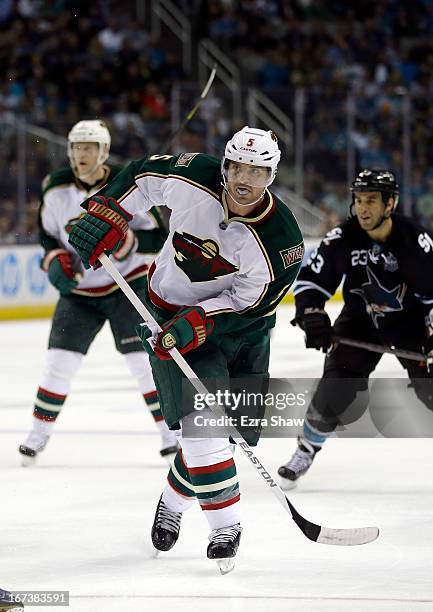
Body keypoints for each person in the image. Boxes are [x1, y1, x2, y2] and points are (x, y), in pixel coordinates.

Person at [67, 126, 304, 573]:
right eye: (239, 167)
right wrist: (110, 211)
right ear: (226, 165)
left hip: (244, 329)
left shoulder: (281, 241)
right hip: (167, 309)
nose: (246, 180)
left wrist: (198, 321)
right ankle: (226, 527)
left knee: (232, 433)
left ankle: (173, 500)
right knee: (202, 426)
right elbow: (140, 177)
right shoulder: (194, 173)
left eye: (258, 172)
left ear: (271, 176)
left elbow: (250, 303)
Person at [19, 120, 178, 466]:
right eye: (76, 147)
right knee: (58, 364)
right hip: (80, 292)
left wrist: (125, 242)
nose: (81, 154)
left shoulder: (126, 182)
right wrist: (54, 258)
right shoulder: (55, 188)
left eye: (89, 147)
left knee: (143, 364)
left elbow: (157, 237)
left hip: (127, 285)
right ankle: (37, 434)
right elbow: (47, 235)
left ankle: (170, 435)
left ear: (104, 151)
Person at [278, 169, 433, 488]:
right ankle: (305, 450)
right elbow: (311, 281)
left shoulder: (415, 242)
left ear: (390, 204)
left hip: (411, 324)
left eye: (372, 201)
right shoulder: (343, 237)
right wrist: (312, 313)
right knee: (337, 387)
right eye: (359, 200)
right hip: (360, 322)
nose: (363, 208)